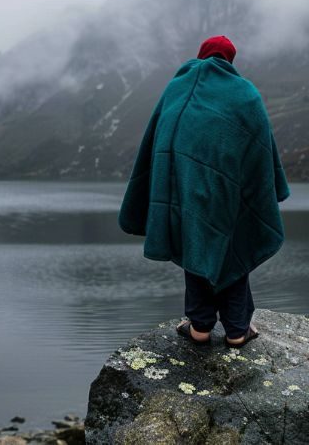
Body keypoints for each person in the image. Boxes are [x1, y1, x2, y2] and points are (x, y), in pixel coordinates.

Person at [117, 35, 290, 348]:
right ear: (230, 59)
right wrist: (269, 186)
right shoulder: (245, 93)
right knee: (234, 246)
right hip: (231, 191)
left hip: (185, 190)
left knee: (195, 246)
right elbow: (262, 147)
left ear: (201, 55)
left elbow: (156, 143)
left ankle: (199, 327)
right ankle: (237, 331)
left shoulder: (177, 88)